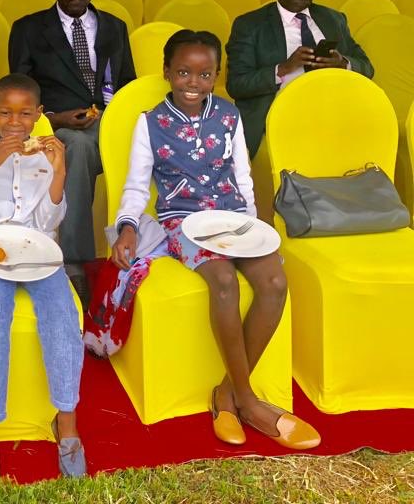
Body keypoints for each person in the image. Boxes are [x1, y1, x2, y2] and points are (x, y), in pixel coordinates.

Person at [105, 29, 320, 450]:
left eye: (204, 75)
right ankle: (250, 400)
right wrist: (128, 224)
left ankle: (226, 392)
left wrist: (255, 229)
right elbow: (134, 185)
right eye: (183, 72)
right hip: (183, 222)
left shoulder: (228, 115)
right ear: (167, 72)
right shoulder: (150, 122)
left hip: (233, 218)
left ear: (216, 76)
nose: (193, 83)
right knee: (221, 282)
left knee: (275, 282)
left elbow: (241, 177)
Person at [0, 74, 85, 485]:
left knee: (63, 317)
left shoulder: (48, 154)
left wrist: (59, 172)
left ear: (39, 116)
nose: (15, 123)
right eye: (6, 113)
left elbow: (50, 223)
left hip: (38, 250)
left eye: (25, 114)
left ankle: (65, 420)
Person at [8, 0, 136, 305]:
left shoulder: (114, 27)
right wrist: (56, 117)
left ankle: (142, 245)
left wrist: (116, 117)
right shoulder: (29, 29)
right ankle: (75, 263)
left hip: (106, 122)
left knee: (144, 141)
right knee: (76, 148)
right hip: (58, 126)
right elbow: (22, 89)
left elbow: (126, 83)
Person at [226, 0, 373, 158]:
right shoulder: (250, 25)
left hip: (336, 109)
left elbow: (367, 67)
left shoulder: (333, 19)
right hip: (282, 114)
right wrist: (283, 68)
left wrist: (343, 63)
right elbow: (237, 84)